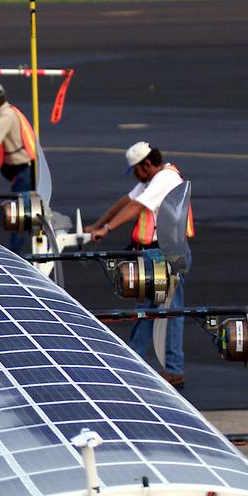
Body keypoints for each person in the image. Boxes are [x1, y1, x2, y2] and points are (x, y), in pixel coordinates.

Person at [87, 141, 194, 388]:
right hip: (156, 254)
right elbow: (127, 200)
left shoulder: (165, 179)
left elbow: (137, 206)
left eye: (135, 169)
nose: (134, 174)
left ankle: (174, 368)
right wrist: (98, 224)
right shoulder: (151, 180)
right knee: (148, 310)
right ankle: (132, 361)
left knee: (171, 311)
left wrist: (107, 228)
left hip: (168, 254)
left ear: (146, 164)